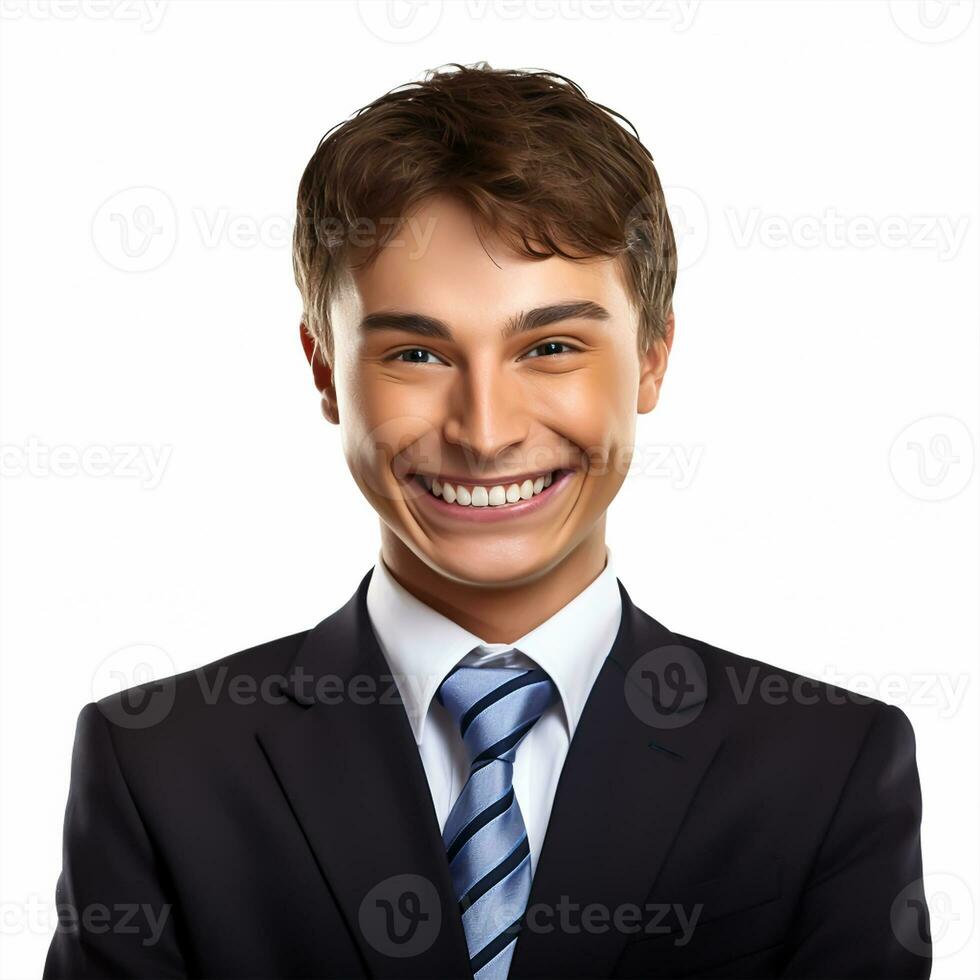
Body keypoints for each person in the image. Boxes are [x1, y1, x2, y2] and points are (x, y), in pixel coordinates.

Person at [44, 62, 931, 980]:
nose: (486, 430)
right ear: (323, 371)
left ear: (654, 358)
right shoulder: (160, 767)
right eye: (418, 352)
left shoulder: (826, 771)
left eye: (550, 347)